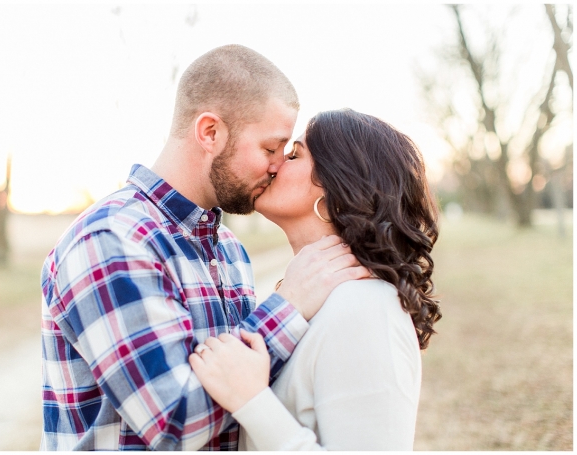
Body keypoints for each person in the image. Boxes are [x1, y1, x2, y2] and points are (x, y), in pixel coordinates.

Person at [40, 46, 369, 451]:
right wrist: (289, 307)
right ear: (210, 132)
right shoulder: (112, 239)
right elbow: (174, 423)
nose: (277, 166)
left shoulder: (229, 249)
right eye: (270, 148)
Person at [190, 108, 442, 451]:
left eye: (294, 154)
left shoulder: (367, 308)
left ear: (337, 189)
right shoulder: (311, 299)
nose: (274, 163)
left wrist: (253, 402)